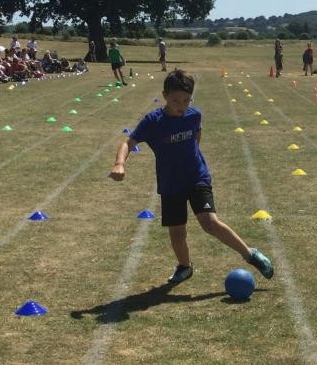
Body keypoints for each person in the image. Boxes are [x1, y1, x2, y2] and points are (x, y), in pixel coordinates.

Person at [110, 69, 274, 286]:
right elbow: (128, 142)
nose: (181, 105)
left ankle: (250, 254)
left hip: (197, 177)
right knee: (177, 233)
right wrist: (120, 163)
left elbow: (197, 136)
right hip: (170, 184)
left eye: (186, 100)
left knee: (210, 223)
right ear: (165, 96)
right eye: (176, 100)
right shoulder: (152, 121)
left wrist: (193, 157)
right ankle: (184, 266)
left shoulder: (194, 115)